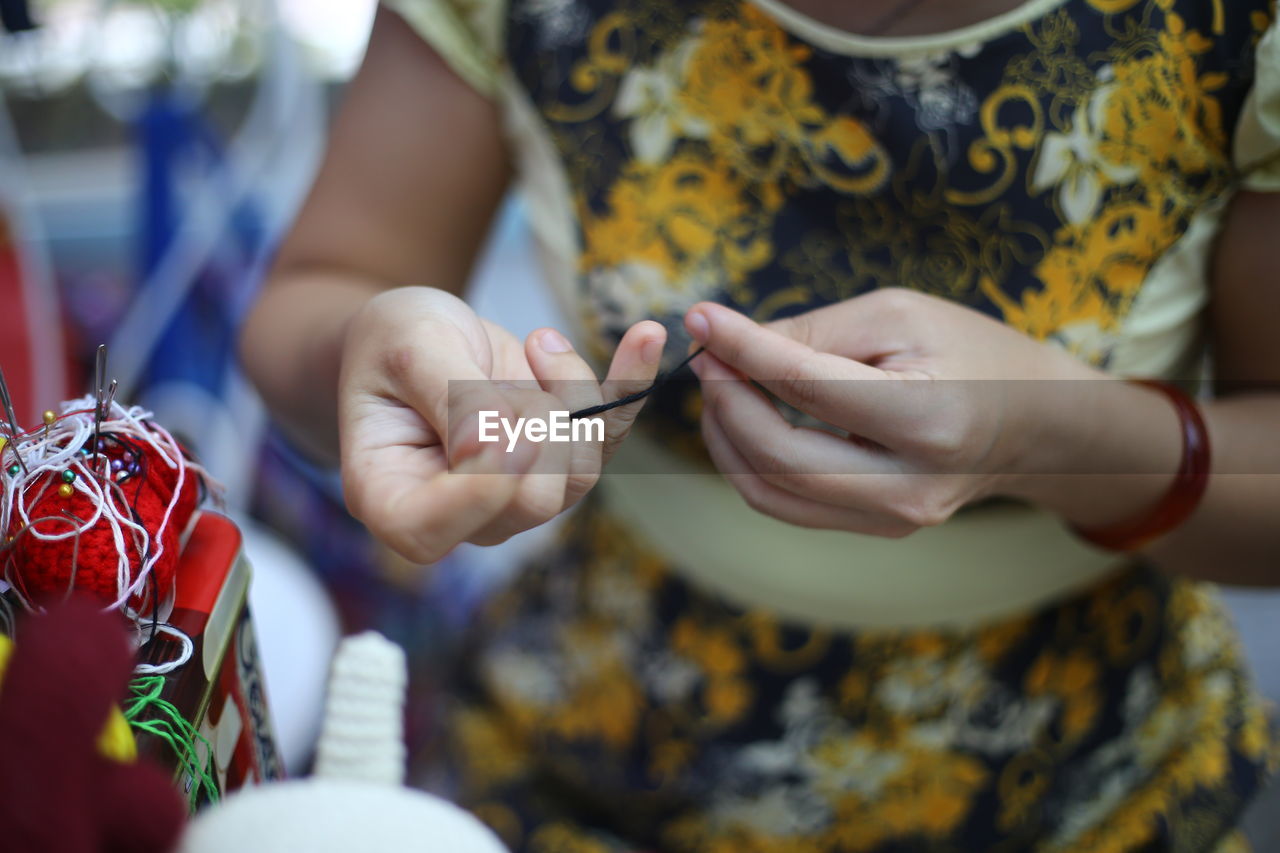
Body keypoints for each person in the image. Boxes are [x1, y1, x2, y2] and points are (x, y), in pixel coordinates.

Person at [241, 0, 1280, 849]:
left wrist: (1050, 433)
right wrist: (385, 356)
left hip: (1093, 784)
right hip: (589, 756)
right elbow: (324, 289)